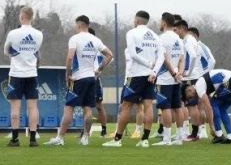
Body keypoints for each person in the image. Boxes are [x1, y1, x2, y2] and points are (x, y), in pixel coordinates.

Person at [45, 16, 113, 146]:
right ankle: (86, 137)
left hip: (78, 79)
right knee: (87, 108)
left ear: (79, 25)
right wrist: (99, 70)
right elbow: (110, 54)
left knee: (69, 108)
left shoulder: (75, 39)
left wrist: (67, 74)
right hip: (92, 78)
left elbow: (70, 58)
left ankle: (60, 138)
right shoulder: (95, 39)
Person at [103, 10, 163, 148]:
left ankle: (117, 140)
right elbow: (160, 57)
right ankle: (145, 139)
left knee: (126, 106)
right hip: (151, 76)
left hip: (136, 75)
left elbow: (133, 54)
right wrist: (154, 71)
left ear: (136, 20)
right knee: (148, 106)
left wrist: (148, 65)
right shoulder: (155, 36)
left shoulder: (131, 33)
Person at [4, 7, 44, 147]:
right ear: (31, 17)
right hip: (32, 73)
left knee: (15, 107)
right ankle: (33, 139)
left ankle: (15, 139)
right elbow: (36, 51)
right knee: (33, 107)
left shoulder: (13, 33)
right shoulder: (39, 34)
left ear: (21, 17)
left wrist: (17, 55)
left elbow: (6, 50)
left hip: (16, 74)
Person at [184, 69, 231, 144]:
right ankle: (230, 137)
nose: (192, 98)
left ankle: (219, 135)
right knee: (222, 109)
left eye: (189, 97)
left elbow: (208, 107)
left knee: (213, 104)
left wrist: (211, 127)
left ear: (189, 90)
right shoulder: (202, 84)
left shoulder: (198, 87)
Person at [153, 13, 184, 146]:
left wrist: (172, 73)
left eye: (160, 21)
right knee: (177, 107)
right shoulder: (178, 38)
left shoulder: (162, 38)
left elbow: (164, 58)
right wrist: (179, 73)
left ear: (164, 23)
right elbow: (182, 58)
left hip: (165, 79)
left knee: (165, 108)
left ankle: (166, 139)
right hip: (177, 78)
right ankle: (179, 138)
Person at [175, 19, 202, 141]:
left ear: (182, 29)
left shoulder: (188, 40)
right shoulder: (187, 40)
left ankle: (195, 134)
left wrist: (189, 72)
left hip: (191, 77)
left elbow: (194, 56)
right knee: (190, 106)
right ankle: (194, 133)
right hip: (192, 76)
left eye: (177, 30)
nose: (176, 33)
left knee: (192, 106)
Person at [188, 27, 215, 138]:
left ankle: (202, 130)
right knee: (197, 106)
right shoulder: (192, 46)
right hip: (195, 77)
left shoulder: (200, 46)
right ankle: (200, 130)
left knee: (200, 105)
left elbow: (212, 61)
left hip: (200, 78)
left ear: (194, 35)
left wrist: (205, 76)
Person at [88, 27, 110, 137]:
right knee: (85, 106)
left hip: (95, 79)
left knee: (99, 106)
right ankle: (85, 131)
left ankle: (104, 130)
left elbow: (110, 57)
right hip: (83, 77)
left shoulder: (97, 46)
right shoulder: (80, 44)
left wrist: (100, 69)